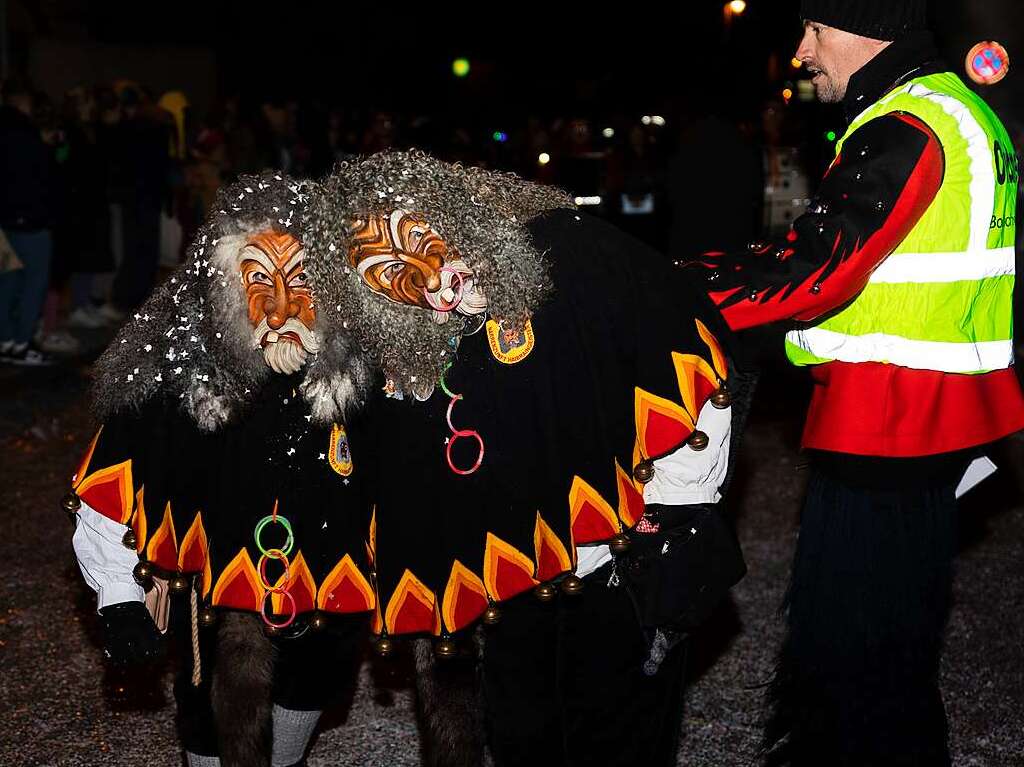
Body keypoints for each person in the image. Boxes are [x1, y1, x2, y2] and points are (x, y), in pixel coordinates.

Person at [302, 151, 750, 766]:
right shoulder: (390, 342)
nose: (428, 284)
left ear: (455, 212)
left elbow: (686, 344)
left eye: (420, 242)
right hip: (509, 587)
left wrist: (678, 507)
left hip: (620, 564)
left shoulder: (573, 254)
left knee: (619, 742)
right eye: (387, 276)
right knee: (522, 741)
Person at [688, 2, 1023, 764]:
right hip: (930, 414)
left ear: (863, 27)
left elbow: (816, 270)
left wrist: (669, 286)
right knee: (891, 652)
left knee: (854, 659)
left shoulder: (908, 121)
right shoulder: (958, 108)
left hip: (890, 421)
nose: (802, 50)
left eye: (814, 30)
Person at [65, 173, 376, 767]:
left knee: (308, 695)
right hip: (214, 592)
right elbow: (115, 479)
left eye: (303, 279)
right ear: (225, 285)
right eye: (259, 279)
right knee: (213, 720)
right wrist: (119, 594)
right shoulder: (183, 367)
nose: (282, 306)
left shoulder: (360, 364)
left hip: (329, 592)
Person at [0, 77, 56, 365]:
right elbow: (41, 176)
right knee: (34, 281)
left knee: (7, 281)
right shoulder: (26, 133)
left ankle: (6, 340)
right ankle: (21, 344)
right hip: (29, 220)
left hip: (3, 221)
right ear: (25, 101)